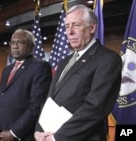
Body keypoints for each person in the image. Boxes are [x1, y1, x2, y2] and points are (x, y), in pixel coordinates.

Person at [34, 5, 122, 141]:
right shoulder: (64, 62)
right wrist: (38, 131)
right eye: (67, 26)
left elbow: (95, 109)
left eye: (76, 25)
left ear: (92, 28)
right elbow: (50, 99)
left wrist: (56, 138)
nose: (70, 32)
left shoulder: (108, 60)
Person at [0, 28, 52, 141]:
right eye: (13, 42)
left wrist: (14, 133)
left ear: (31, 46)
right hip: (0, 134)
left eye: (20, 42)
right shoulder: (6, 70)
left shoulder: (40, 67)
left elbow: (36, 106)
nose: (15, 46)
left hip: (21, 136)